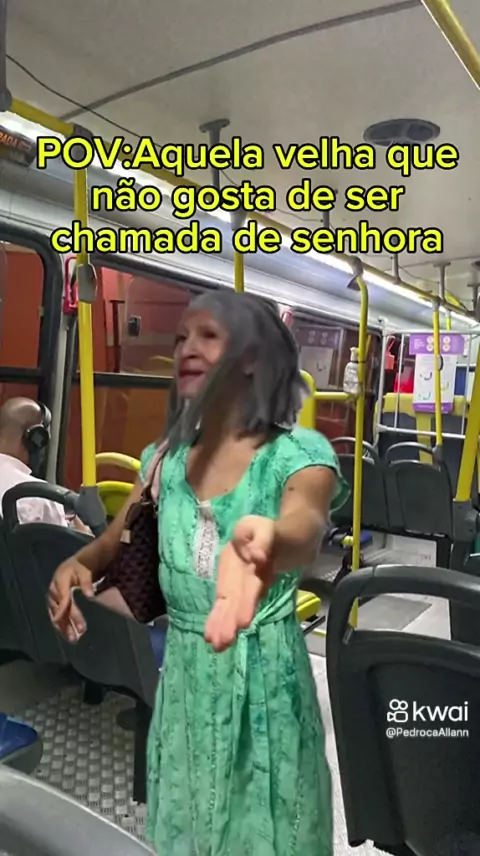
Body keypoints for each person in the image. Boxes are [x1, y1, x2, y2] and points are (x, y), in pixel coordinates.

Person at [48, 291, 349, 856]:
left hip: (263, 676)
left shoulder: (297, 455)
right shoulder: (164, 459)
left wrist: (266, 540)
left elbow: (305, 524)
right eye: (182, 337)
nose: (187, 347)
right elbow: (114, 541)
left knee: (267, 826)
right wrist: (77, 563)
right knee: (191, 822)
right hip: (186, 676)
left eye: (209, 336)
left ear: (253, 358)